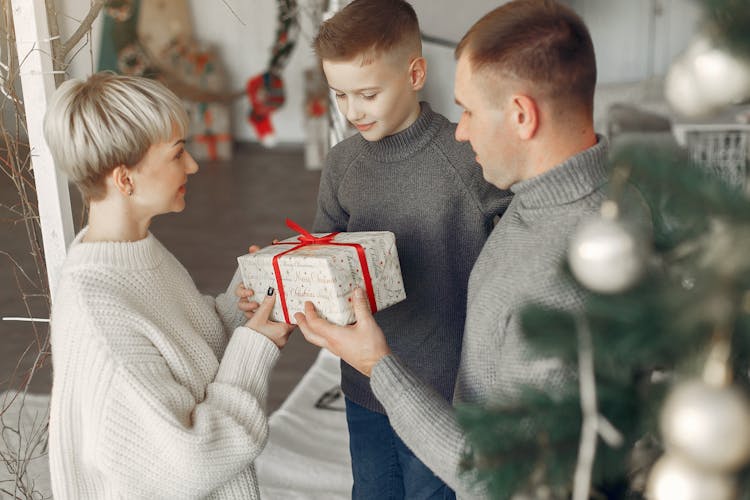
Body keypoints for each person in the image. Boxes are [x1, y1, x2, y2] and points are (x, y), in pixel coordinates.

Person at [297, 1, 647, 498]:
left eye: (467, 110)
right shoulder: (543, 205)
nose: (459, 130)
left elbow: (497, 479)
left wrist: (382, 367)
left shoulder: (564, 270)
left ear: (522, 116)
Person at [44, 72, 294, 499]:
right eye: (178, 154)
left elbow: (184, 352)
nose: (193, 165)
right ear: (125, 180)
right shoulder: (97, 314)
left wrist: (242, 303)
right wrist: (252, 349)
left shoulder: (134, 251)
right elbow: (192, 462)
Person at [310, 0, 512, 498]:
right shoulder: (342, 163)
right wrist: (293, 270)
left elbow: (515, 253)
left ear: (415, 73)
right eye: (339, 95)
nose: (353, 111)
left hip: (440, 390)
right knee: (373, 489)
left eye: (368, 93)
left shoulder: (467, 158)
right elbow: (325, 251)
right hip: (364, 382)